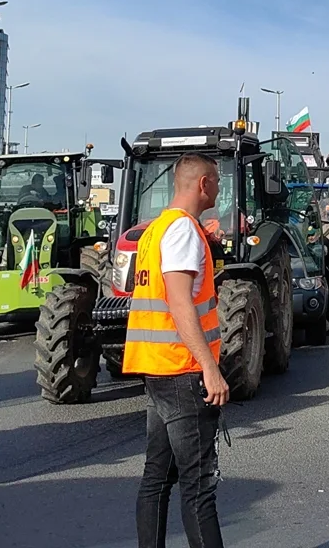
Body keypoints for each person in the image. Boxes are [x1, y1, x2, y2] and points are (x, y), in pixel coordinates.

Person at [127, 153, 230, 548]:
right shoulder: (184, 230)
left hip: (157, 370)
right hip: (184, 372)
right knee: (199, 487)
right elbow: (180, 301)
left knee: (157, 477)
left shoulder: (156, 229)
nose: (219, 189)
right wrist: (210, 367)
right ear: (203, 184)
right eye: (217, 182)